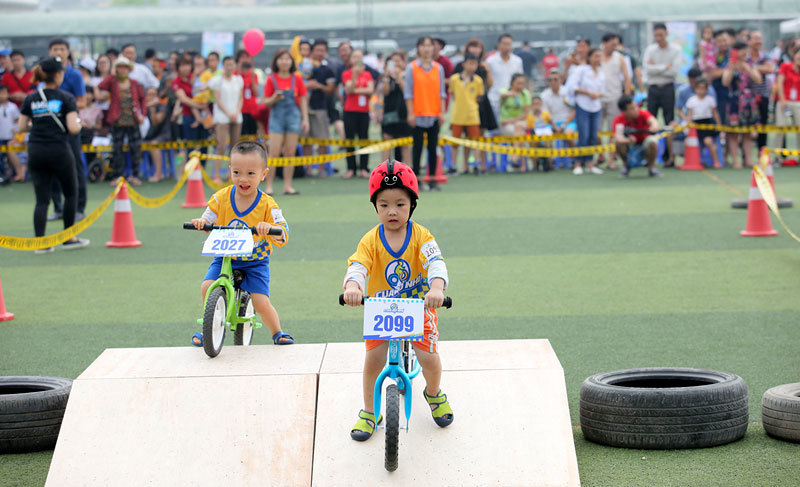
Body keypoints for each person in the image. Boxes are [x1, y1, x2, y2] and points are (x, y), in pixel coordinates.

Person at [342, 159, 453, 441]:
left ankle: (433, 392)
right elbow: (358, 266)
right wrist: (354, 286)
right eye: (384, 205)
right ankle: (369, 410)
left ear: (412, 204)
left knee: (428, 357)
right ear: (375, 207)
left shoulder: (422, 236)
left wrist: (436, 289)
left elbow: (436, 263)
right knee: (372, 361)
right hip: (381, 309)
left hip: (419, 306)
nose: (392, 211)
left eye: (400, 204)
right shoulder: (370, 240)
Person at [190, 140, 294, 347]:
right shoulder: (221, 197)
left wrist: (271, 229)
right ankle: (208, 327)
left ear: (264, 174)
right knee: (207, 287)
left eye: (250, 174)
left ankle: (277, 332)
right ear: (230, 171)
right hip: (226, 256)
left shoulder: (267, 203)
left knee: (261, 302)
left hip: (255, 260)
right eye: (237, 172)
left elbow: (283, 230)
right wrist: (203, 223)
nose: (243, 179)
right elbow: (208, 216)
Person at [17, 57, 89, 253]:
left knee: (42, 199)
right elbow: (73, 128)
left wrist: (37, 123)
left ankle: (41, 243)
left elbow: (22, 127)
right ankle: (69, 238)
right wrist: (81, 123)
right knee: (71, 193)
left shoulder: (31, 98)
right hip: (59, 151)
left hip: (36, 151)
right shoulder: (66, 97)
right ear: (58, 75)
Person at [47, 39, 87, 222]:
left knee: (75, 167)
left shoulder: (75, 75)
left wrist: (63, 107)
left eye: (62, 49)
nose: (58, 52)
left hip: (70, 128)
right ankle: (58, 207)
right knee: (52, 168)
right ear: (50, 52)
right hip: (50, 130)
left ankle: (79, 207)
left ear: (68, 52)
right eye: (55, 49)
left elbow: (82, 101)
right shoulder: (44, 74)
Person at [263, 49, 309, 196]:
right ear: (276, 61)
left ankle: (287, 186)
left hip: (293, 117)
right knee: (273, 152)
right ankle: (269, 186)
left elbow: (302, 100)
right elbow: (266, 102)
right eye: (281, 59)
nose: (284, 62)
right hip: (276, 117)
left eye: (287, 59)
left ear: (292, 62)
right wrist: (274, 98)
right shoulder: (271, 79)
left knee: (290, 152)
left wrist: (305, 119)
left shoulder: (297, 78)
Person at [405, 36, 446, 190]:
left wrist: (441, 112)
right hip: (418, 114)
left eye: (429, 46)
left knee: (433, 148)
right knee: (417, 149)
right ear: (418, 48)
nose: (427, 49)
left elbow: (442, 93)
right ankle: (417, 181)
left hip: (434, 114)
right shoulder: (412, 67)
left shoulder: (438, 68)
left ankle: (433, 180)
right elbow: (408, 94)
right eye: (423, 46)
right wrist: (410, 114)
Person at [98, 57, 145, 185]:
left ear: (128, 69)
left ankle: (135, 175)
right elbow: (100, 86)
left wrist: (143, 115)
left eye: (124, 67)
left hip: (132, 120)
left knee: (135, 148)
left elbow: (142, 99)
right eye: (119, 67)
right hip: (117, 120)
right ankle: (118, 176)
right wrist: (111, 74)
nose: (122, 70)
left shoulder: (134, 83)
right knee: (117, 149)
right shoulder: (112, 82)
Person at [453, 38, 495, 172]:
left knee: (479, 137)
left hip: (479, 106)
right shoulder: (459, 68)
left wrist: (487, 70)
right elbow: (453, 91)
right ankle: (463, 166)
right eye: (473, 47)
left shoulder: (483, 66)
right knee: (461, 140)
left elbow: (488, 86)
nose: (476, 50)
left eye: (478, 47)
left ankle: (481, 164)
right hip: (461, 110)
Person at [643, 23, 682, 167]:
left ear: (666, 34)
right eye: (656, 35)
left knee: (668, 122)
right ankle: (648, 156)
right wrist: (664, 67)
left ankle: (668, 157)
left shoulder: (676, 50)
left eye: (661, 35)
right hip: (653, 89)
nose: (658, 38)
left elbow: (674, 71)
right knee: (649, 122)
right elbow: (647, 68)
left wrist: (656, 68)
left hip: (668, 88)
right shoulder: (650, 49)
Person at [722, 40, 762, 168]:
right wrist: (733, 67)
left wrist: (747, 68)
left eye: (745, 50)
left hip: (749, 102)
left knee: (747, 133)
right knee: (733, 134)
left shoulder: (750, 64)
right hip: (734, 102)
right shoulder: (730, 65)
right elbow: (725, 82)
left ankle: (748, 159)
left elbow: (758, 79)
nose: (744, 52)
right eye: (741, 50)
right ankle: (735, 160)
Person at [566, 47, 604, 175]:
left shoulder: (601, 72)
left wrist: (598, 94)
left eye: (600, 56)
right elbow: (572, 86)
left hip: (596, 106)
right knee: (584, 135)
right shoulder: (581, 70)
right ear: (589, 58)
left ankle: (589, 163)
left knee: (593, 136)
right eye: (596, 56)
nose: (598, 59)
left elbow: (603, 89)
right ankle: (577, 163)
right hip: (583, 105)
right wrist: (588, 93)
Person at [208, 56, 244, 183]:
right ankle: (216, 174)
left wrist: (236, 112)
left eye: (232, 64)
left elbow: (241, 98)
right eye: (227, 65)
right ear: (223, 66)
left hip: (236, 116)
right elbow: (217, 99)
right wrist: (228, 113)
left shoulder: (238, 80)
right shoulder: (217, 81)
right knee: (221, 145)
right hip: (222, 116)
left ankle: (231, 174)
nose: (230, 67)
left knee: (234, 147)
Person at [304, 40, 336, 176]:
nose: (319, 53)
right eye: (317, 50)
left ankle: (321, 169)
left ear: (326, 52)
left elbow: (331, 89)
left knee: (322, 139)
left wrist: (318, 86)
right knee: (306, 140)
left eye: (322, 50)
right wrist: (306, 86)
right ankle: (308, 169)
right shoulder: (304, 68)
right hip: (305, 108)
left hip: (320, 108)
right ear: (312, 51)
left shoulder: (328, 69)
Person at [599, 33, 631, 170]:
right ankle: (600, 156)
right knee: (598, 131)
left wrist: (627, 97)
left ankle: (611, 159)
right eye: (612, 44)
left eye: (616, 44)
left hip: (614, 98)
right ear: (604, 43)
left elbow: (627, 78)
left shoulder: (620, 58)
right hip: (597, 99)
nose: (615, 47)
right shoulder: (596, 57)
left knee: (614, 131)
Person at [342, 49, 375, 179]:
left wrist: (356, 89)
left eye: (359, 57)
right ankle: (351, 168)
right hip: (350, 111)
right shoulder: (346, 73)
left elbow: (370, 90)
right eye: (354, 57)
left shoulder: (367, 74)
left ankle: (363, 168)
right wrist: (355, 76)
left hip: (364, 112)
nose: (357, 59)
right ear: (351, 60)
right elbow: (349, 90)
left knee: (364, 139)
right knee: (350, 140)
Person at [448, 52, 484, 174]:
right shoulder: (454, 79)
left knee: (474, 142)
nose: (472, 66)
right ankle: (453, 165)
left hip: (472, 115)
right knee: (455, 143)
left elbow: (479, 97)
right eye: (470, 63)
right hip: (457, 115)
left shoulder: (478, 80)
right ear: (464, 64)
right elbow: (453, 95)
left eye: (475, 64)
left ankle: (474, 165)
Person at [613, 95, 662, 178]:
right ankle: (626, 167)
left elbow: (654, 122)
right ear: (624, 111)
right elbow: (618, 137)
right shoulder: (619, 120)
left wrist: (654, 126)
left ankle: (652, 168)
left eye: (635, 107)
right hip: (630, 146)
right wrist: (628, 140)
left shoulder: (643, 113)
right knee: (618, 143)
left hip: (644, 145)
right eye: (631, 108)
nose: (636, 110)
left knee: (652, 141)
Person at [744, 31, 775, 154]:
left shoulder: (765, 55)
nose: (758, 41)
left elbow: (770, 69)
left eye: (760, 39)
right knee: (746, 125)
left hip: (762, 95)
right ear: (749, 41)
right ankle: (746, 154)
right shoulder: (744, 56)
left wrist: (753, 68)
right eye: (755, 38)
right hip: (745, 97)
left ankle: (762, 152)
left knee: (763, 124)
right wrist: (759, 68)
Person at [379, 50, 411, 165]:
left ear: (404, 62)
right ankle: (384, 172)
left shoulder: (407, 75)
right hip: (389, 114)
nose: (396, 64)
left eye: (398, 61)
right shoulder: (386, 76)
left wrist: (399, 76)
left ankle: (407, 172)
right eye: (393, 62)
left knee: (405, 145)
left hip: (404, 114)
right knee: (387, 143)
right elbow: (385, 91)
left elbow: (406, 90)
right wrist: (387, 77)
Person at [686, 79, 723, 168]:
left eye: (703, 88)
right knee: (690, 142)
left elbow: (715, 113)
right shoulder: (692, 100)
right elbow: (690, 115)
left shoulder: (710, 100)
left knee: (708, 142)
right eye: (699, 88)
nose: (701, 91)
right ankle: (695, 161)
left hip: (707, 124)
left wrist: (719, 126)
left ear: (707, 90)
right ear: (695, 89)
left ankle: (716, 161)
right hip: (696, 124)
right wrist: (689, 126)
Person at [486, 34, 523, 120]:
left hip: (512, 101)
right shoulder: (490, 61)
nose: (507, 46)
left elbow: (520, 80)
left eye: (509, 44)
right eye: (504, 44)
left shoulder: (517, 61)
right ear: (499, 45)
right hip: (495, 100)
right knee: (496, 131)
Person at [498, 73, 531, 168]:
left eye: (523, 83)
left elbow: (525, 114)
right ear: (512, 83)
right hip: (505, 125)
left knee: (519, 127)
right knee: (520, 133)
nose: (521, 86)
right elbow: (502, 95)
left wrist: (511, 120)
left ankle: (515, 156)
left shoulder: (526, 94)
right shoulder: (505, 91)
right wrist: (510, 94)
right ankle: (523, 164)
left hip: (518, 123)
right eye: (518, 83)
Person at [774, 47, 800, 161]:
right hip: (784, 101)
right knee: (780, 128)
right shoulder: (785, 66)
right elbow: (779, 83)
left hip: (798, 102)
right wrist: (782, 99)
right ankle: (776, 157)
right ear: (793, 56)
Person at [142, 87, 171, 182]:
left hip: (163, 134)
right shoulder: (142, 107)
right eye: (148, 94)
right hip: (147, 135)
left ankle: (158, 174)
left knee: (153, 145)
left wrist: (152, 109)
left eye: (153, 95)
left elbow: (156, 122)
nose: (150, 97)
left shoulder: (162, 106)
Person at [541, 69, 576, 140]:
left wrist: (563, 126)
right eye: (550, 80)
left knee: (568, 136)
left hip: (567, 122)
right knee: (545, 136)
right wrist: (555, 127)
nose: (553, 82)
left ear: (561, 80)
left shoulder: (567, 92)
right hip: (551, 123)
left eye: (555, 79)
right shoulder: (544, 95)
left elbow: (573, 111)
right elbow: (545, 114)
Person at [0, 84, 25, 182]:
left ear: (8, 94)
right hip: (1, 137)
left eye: (4, 93)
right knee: (1, 156)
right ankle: (3, 175)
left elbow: (17, 121)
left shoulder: (13, 107)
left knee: (13, 154)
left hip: (11, 137)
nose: (2, 96)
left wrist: (16, 136)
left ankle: (18, 174)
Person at [235, 50, 260, 137]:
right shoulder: (234, 74)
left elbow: (256, 93)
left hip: (252, 110)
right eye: (242, 57)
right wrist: (239, 70)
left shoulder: (253, 75)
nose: (245, 60)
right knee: (239, 136)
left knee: (253, 135)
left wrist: (252, 77)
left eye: (247, 57)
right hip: (239, 110)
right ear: (238, 60)